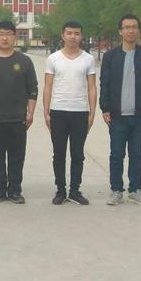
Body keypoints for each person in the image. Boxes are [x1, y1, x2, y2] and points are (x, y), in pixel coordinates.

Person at [0, 20, 38, 204]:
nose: (5, 38)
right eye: (1, 34)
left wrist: (30, 113)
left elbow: (32, 89)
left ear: (14, 37)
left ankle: (15, 191)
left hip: (18, 118)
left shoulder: (24, 61)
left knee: (17, 157)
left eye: (8, 34)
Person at [99, 14, 141, 206]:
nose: (131, 30)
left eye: (134, 27)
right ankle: (116, 190)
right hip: (117, 115)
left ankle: (135, 190)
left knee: (136, 154)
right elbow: (104, 83)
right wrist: (105, 107)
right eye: (127, 27)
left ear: (138, 30)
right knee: (116, 154)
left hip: (139, 115)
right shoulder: (110, 56)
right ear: (120, 31)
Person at [43, 21, 96, 205]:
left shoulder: (88, 59)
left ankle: (74, 191)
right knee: (59, 154)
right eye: (69, 33)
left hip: (80, 112)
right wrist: (46, 111)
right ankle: (60, 190)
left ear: (81, 36)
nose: (73, 36)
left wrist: (92, 112)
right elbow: (48, 86)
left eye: (76, 33)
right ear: (63, 35)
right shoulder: (53, 59)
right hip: (58, 111)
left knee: (77, 154)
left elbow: (91, 87)